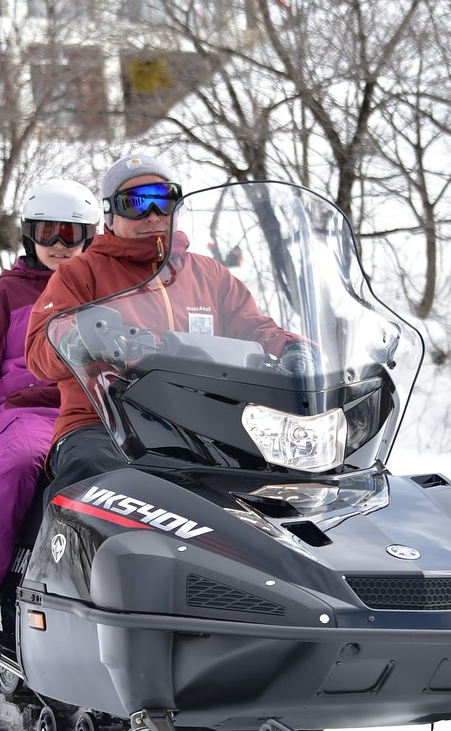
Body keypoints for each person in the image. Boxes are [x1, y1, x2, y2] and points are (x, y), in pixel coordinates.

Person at [25, 154, 304, 502]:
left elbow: (253, 329)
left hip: (203, 423)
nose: (153, 215)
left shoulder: (208, 274)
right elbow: (39, 353)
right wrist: (78, 338)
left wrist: (292, 349)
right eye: (135, 204)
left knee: (276, 481)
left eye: (164, 200)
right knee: (97, 479)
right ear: (110, 213)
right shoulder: (80, 272)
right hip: (103, 422)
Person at [0, 178, 101, 641]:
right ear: (29, 234)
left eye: (71, 233)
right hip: (32, 411)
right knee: (21, 464)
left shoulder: (105, 290)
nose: (59, 245)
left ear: (90, 237)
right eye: (48, 232)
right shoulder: (6, 295)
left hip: (99, 411)